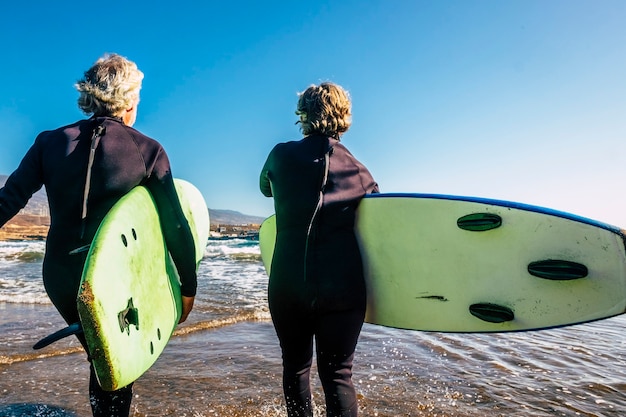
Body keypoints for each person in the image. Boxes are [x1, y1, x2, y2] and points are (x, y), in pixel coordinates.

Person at [0, 53, 197, 417]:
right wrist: (188, 288)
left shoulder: (50, 141)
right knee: (116, 367)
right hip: (111, 276)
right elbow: (177, 226)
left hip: (59, 275)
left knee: (103, 357)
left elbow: (8, 200)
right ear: (130, 100)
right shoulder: (148, 151)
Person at [260, 82, 379, 417]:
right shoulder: (360, 171)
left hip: (287, 284)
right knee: (338, 375)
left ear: (304, 114)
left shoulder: (280, 155)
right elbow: (378, 221)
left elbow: (265, 187)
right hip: (342, 287)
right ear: (344, 117)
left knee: (296, 369)